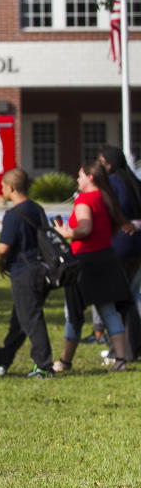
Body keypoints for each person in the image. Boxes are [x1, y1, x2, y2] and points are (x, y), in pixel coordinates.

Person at [52, 161, 135, 373]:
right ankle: (120, 360)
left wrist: (66, 232)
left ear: (90, 177)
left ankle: (65, 361)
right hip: (106, 258)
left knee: (74, 313)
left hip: (84, 262)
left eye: (80, 176)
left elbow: (84, 228)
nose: (77, 180)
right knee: (108, 310)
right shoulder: (106, 197)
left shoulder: (85, 199)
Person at [0, 168, 54, 378]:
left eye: (3, 186)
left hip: (24, 272)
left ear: (12, 188)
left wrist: (0, 263)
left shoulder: (13, 215)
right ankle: (2, 360)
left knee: (31, 319)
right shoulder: (37, 209)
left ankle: (43, 366)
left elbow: (2, 248)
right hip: (42, 270)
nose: (2, 189)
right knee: (20, 319)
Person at [98, 146, 141, 359]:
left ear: (108, 164)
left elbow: (112, 212)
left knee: (118, 300)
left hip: (119, 247)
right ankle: (134, 346)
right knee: (132, 298)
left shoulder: (112, 184)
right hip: (137, 246)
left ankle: (121, 351)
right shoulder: (134, 182)